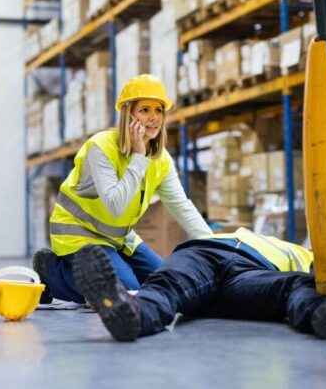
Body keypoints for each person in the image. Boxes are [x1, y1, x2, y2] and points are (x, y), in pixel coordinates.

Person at [33, 74, 213, 304]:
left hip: (118, 238)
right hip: (79, 234)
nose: (153, 118)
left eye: (158, 110)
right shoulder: (101, 147)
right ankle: (51, 272)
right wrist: (138, 157)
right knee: (126, 292)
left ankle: (109, 271)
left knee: (168, 283)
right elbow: (116, 205)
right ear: (128, 114)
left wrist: (214, 247)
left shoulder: (162, 159)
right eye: (145, 110)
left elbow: (181, 206)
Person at [71, 227, 326, 341]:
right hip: (209, 253)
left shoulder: (315, 262)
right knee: (167, 283)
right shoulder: (294, 252)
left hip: (247, 276)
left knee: (299, 288)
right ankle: (127, 311)